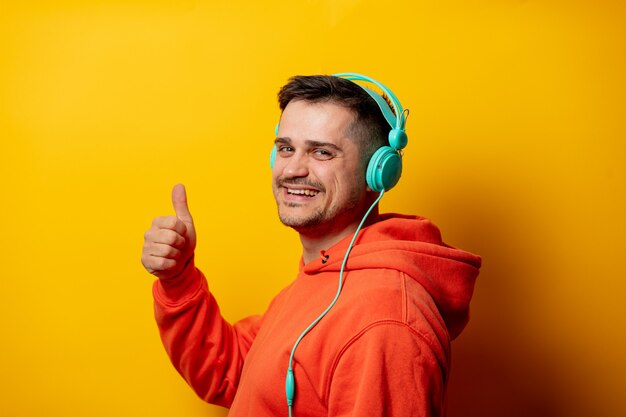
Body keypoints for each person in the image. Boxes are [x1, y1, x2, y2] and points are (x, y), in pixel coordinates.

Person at [141, 74, 481, 417]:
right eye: (286, 148)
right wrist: (179, 278)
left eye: (322, 152)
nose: (293, 169)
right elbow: (237, 374)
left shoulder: (384, 322)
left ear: (378, 172)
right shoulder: (326, 275)